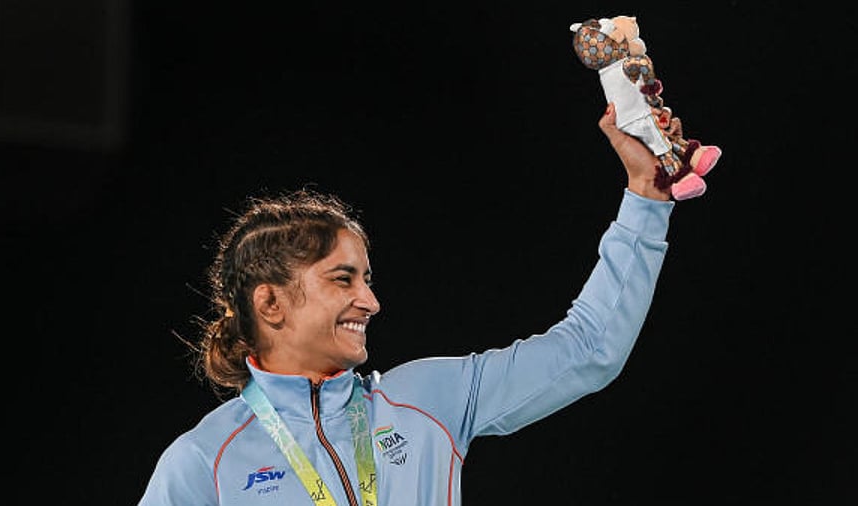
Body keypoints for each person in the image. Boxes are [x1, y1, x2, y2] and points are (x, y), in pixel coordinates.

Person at [139, 102, 685, 505]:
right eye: (342, 280)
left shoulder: (426, 401)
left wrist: (646, 197)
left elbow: (589, 348)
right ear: (271, 303)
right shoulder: (203, 462)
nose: (370, 301)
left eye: (368, 279)